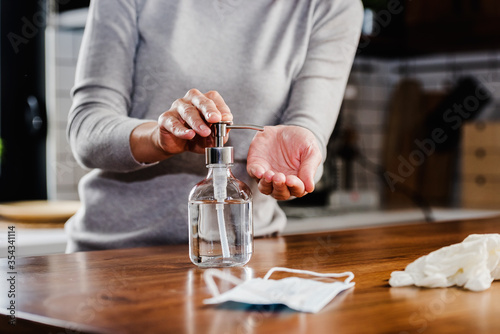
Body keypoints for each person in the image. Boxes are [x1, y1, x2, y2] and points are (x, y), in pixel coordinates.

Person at [65, 0, 363, 252]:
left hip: (246, 252)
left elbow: (309, 132)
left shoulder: (332, 6)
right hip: (114, 255)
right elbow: (87, 130)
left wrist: (302, 154)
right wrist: (158, 138)